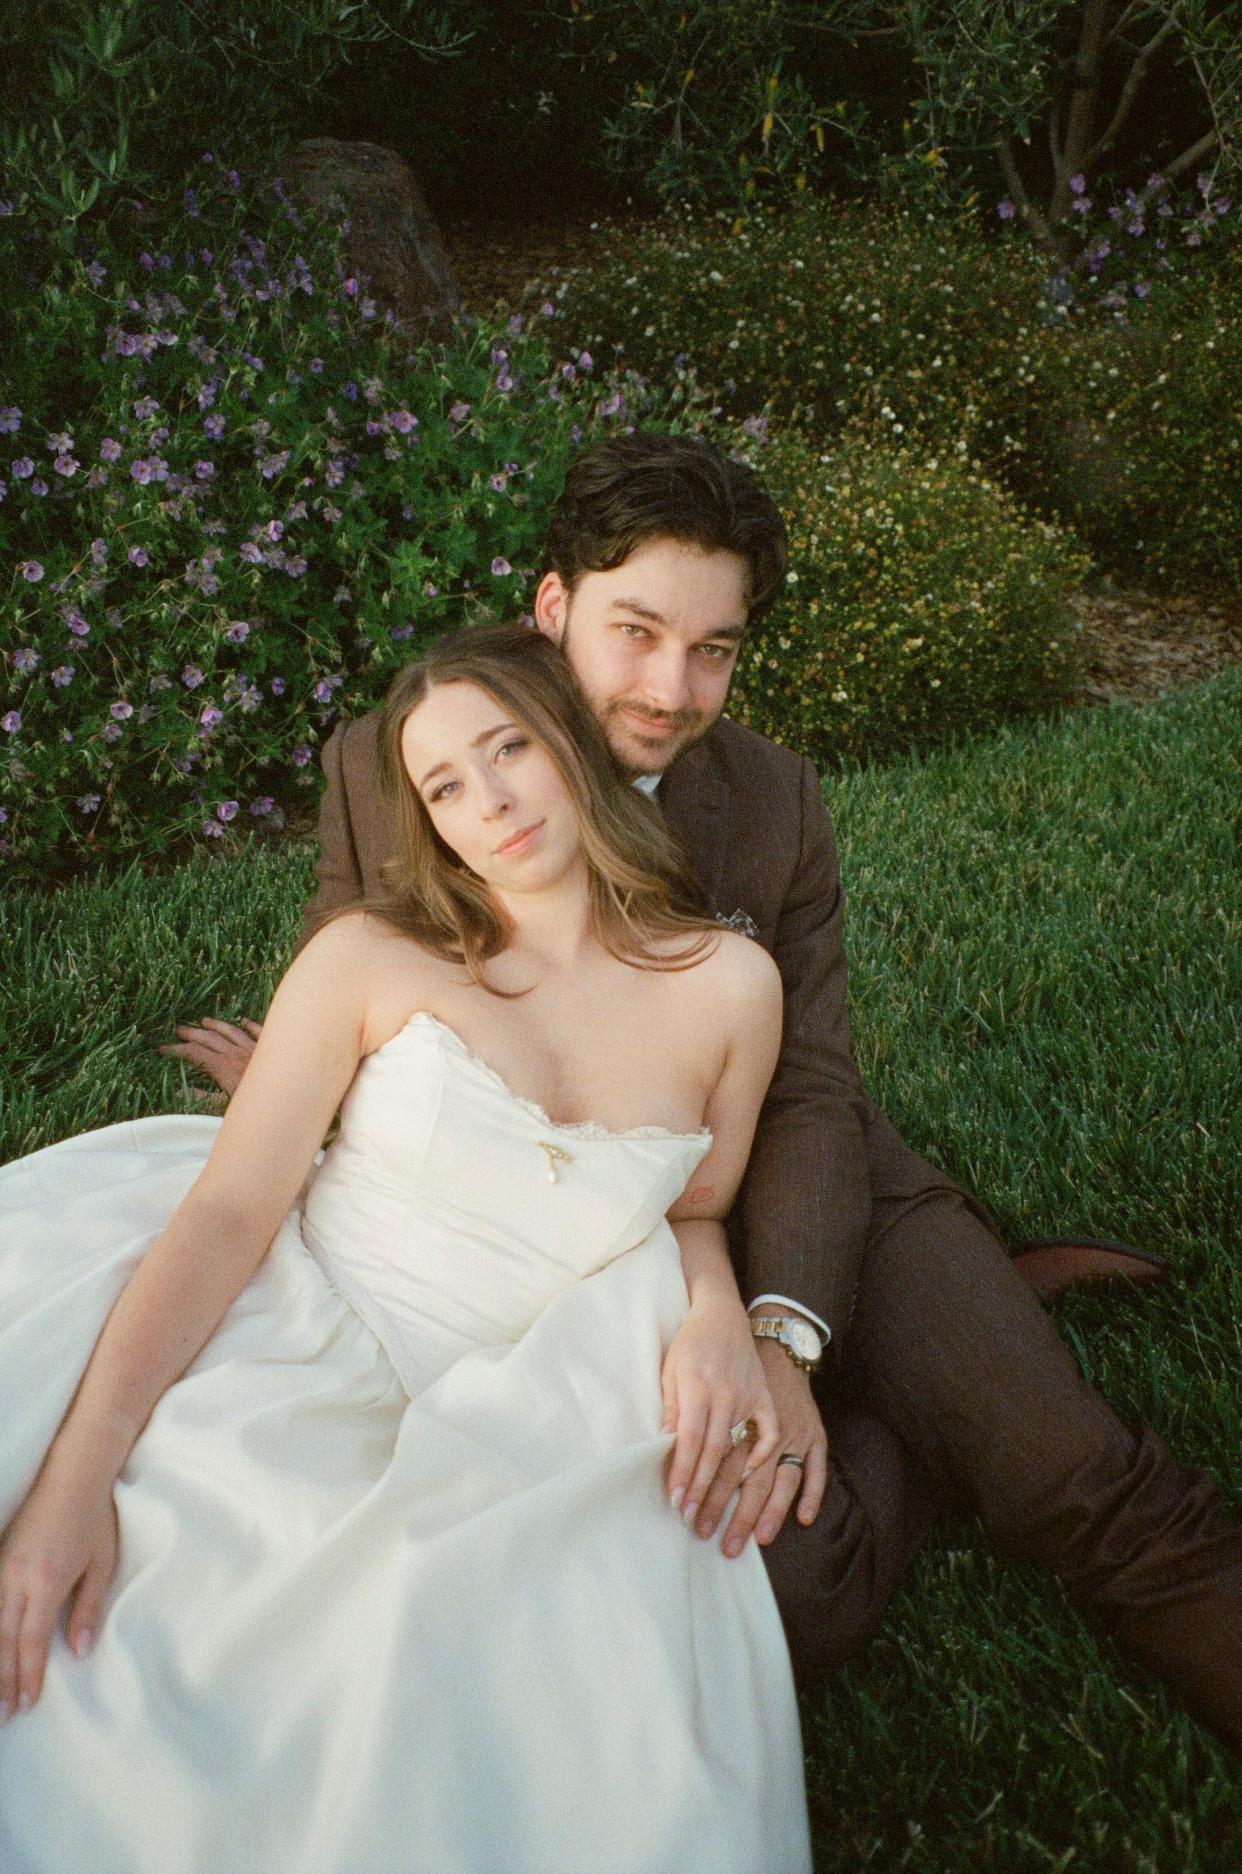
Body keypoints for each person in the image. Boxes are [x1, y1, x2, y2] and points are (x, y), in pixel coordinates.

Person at [168, 431, 1242, 1751]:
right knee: (782, 1597)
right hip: (569, 1251)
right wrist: (298, 1086)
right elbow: (376, 985)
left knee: (1074, 1479)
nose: (670, 688)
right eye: (633, 631)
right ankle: (915, 1397)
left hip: (793, 1180)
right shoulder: (402, 755)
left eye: (714, 648)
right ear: (552, 606)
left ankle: (940, 1331)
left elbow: (805, 1094)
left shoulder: (773, 800)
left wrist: (785, 1333)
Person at [0, 625, 815, 1874]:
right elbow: (227, 1215)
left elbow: (694, 1198)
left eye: (509, 751)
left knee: (492, 1697)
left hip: (527, 1389)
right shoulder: (371, 957)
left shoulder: (732, 988)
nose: (487, 802)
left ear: (572, 747)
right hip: (299, 1321)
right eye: (443, 785)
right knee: (137, 1671)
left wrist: (717, 1310)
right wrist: (71, 1483)